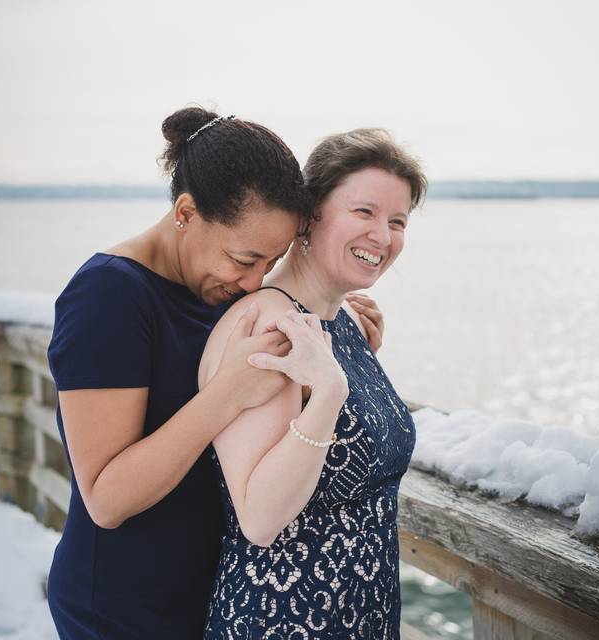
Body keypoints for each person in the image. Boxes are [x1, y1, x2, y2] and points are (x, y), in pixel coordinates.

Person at [45, 107, 386, 640]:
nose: (252, 283)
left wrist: (332, 320)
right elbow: (106, 499)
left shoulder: (220, 288)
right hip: (123, 605)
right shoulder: (107, 296)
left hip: (210, 593)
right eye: (243, 258)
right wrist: (226, 395)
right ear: (185, 213)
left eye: (269, 264)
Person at [199, 128, 426, 638]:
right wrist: (329, 395)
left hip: (362, 617)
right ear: (310, 216)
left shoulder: (338, 321)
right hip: (283, 619)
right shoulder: (268, 326)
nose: (383, 237)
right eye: (364, 212)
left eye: (397, 221)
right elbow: (259, 518)